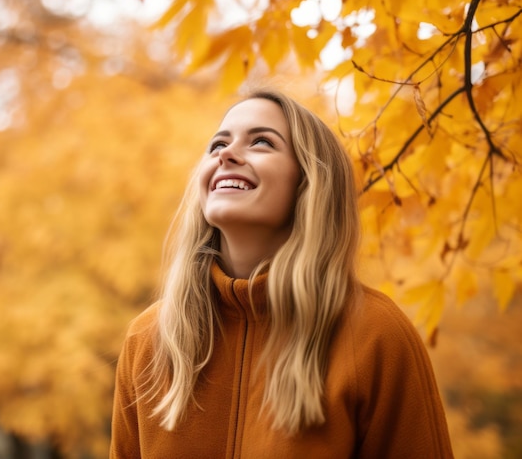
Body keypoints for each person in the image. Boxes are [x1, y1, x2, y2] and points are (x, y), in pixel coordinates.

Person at [110, 89, 454, 458]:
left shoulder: (375, 334)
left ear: (307, 184)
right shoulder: (148, 340)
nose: (225, 154)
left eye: (261, 142)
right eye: (217, 145)